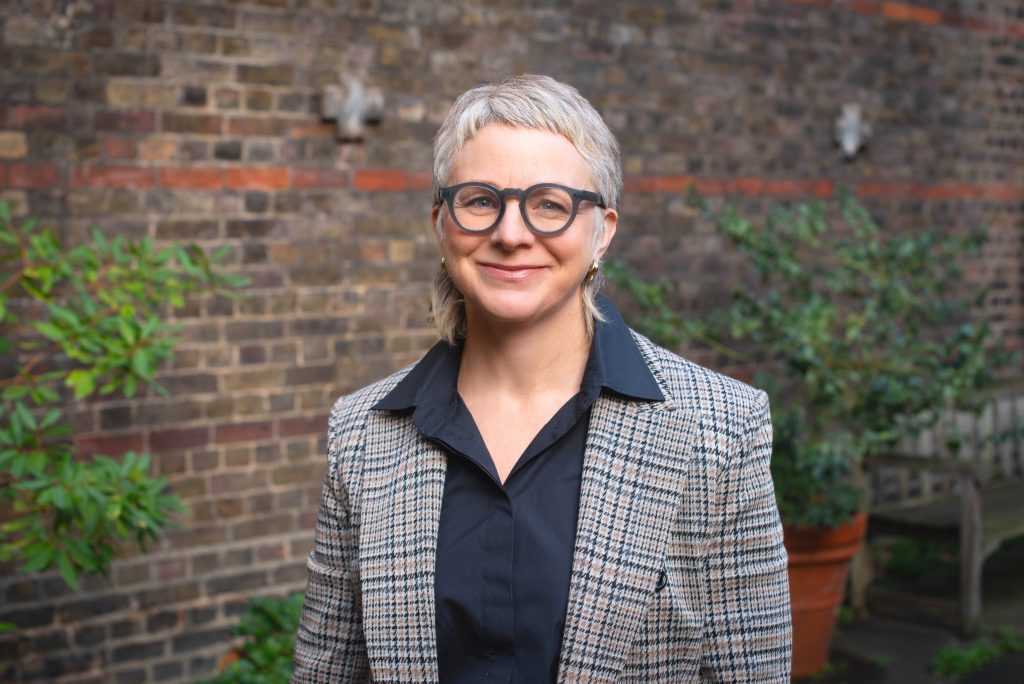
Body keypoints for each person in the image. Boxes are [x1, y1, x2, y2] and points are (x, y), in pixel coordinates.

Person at [292, 74, 791, 683]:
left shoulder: (721, 429)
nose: (510, 234)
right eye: (480, 201)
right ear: (441, 223)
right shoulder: (361, 434)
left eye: (550, 205)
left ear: (603, 231)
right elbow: (324, 673)